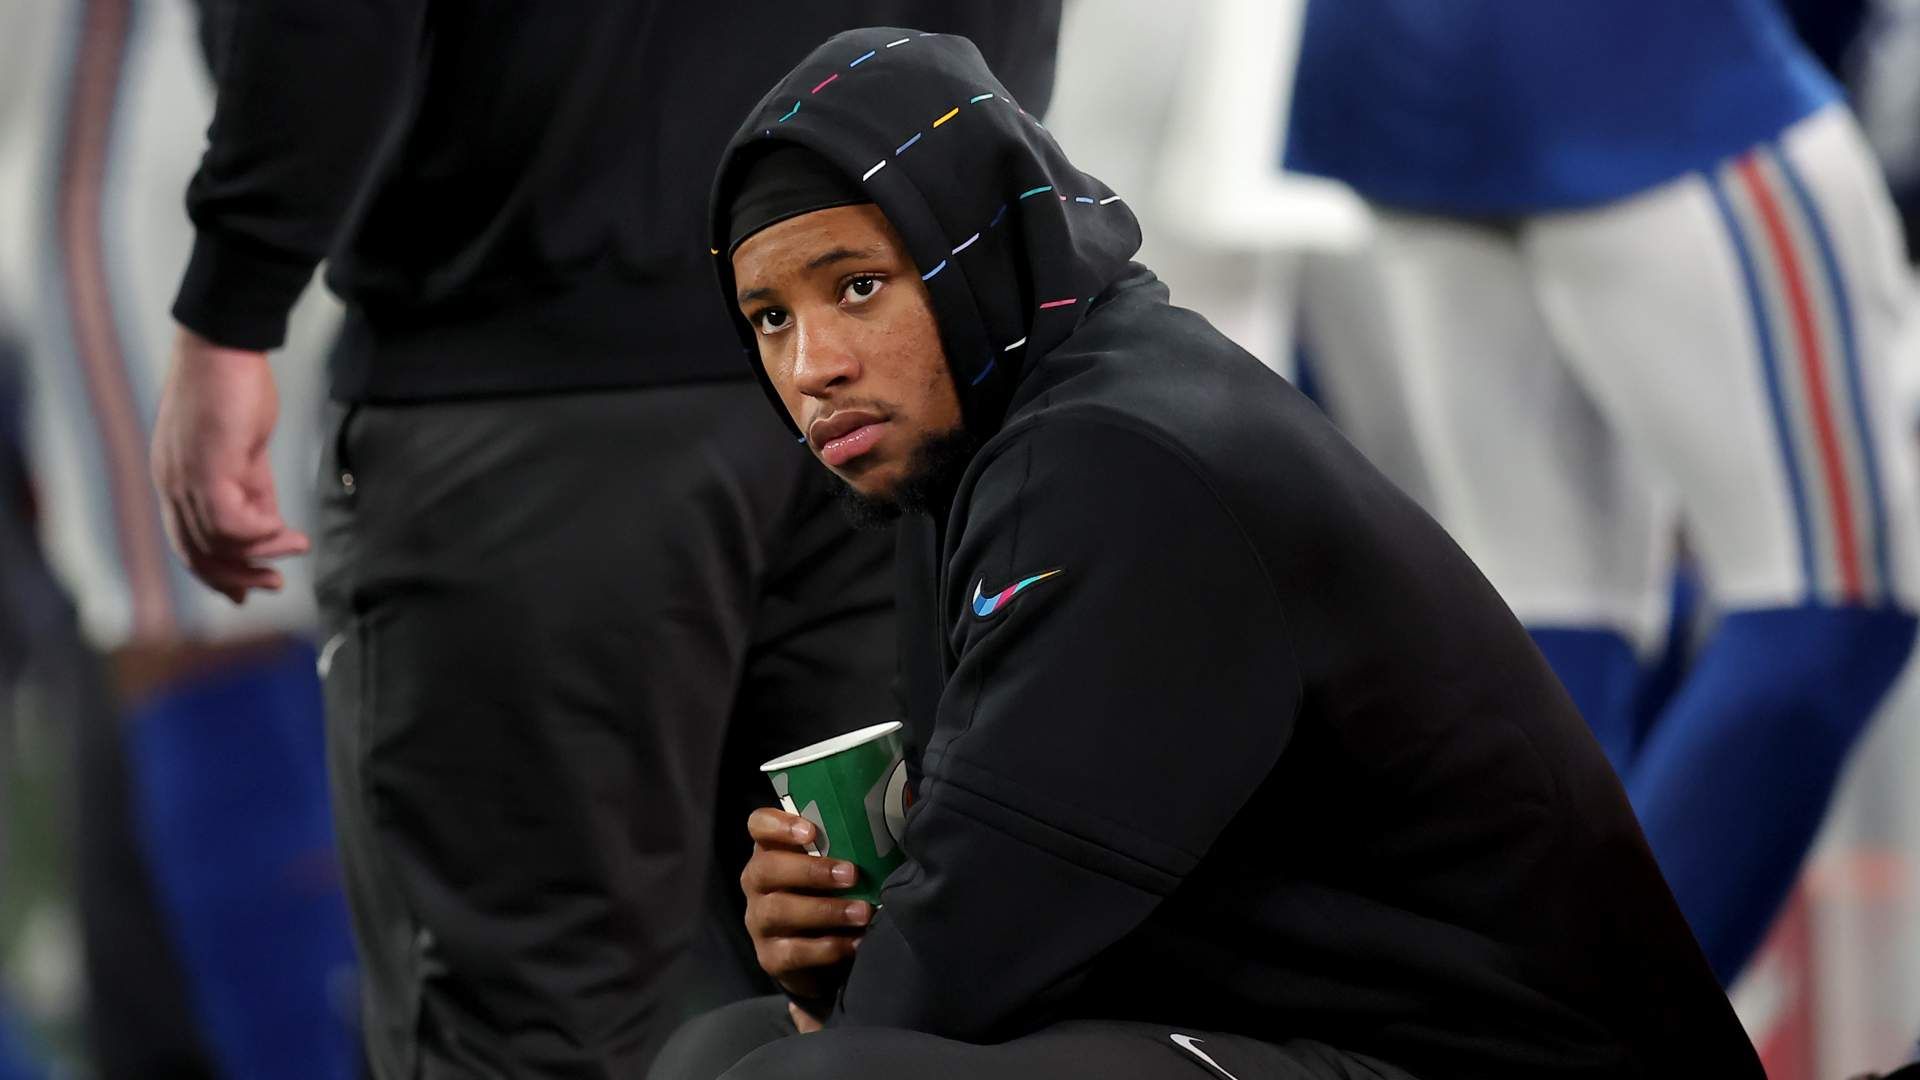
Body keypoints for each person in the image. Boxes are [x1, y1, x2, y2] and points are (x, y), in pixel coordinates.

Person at [650, 27, 1763, 1079]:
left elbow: (949, 974)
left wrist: (838, 998)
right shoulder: (993, 436)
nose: (814, 366)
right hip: (1293, 1026)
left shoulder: (1110, 465)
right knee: (718, 1053)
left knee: (817, 1071)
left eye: (857, 288)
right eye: (771, 318)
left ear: (968, 248)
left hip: (1485, 1060)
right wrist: (823, 944)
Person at [149, 2, 1062, 1074]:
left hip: (532, 390)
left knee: (538, 1032)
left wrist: (234, 302)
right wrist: (932, 246)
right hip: (872, 382)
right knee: (886, 999)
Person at [1285, 0, 1920, 984]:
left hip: (1397, 69)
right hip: (1647, 60)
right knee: (1836, 598)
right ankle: (1607, 1036)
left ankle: (1490, 1028)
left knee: (1552, 625)